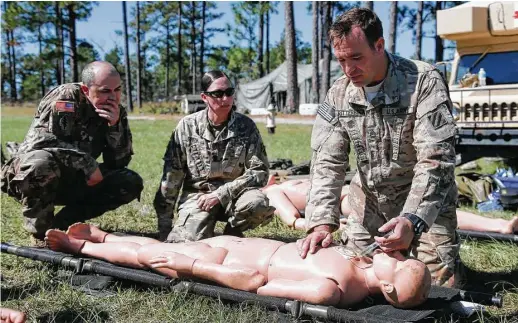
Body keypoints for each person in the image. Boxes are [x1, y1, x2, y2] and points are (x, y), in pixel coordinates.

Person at [299, 8, 459, 287]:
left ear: (379, 45)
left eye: (357, 57)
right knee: (353, 279)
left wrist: (412, 219)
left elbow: (435, 159)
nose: (349, 70)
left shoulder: (423, 81)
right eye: (342, 60)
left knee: (432, 288)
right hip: (370, 205)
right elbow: (327, 161)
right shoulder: (339, 93)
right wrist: (321, 222)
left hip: (425, 205)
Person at [45, 223, 432, 309]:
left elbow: (256, 285)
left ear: (390, 290)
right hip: (237, 245)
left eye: (399, 265)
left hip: (225, 262)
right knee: (158, 245)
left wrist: (194, 266)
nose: (396, 255)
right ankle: (105, 237)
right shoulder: (356, 259)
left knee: (147, 257)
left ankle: (81, 247)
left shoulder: (331, 290)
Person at [0, 61, 143, 243]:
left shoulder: (116, 111)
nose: (113, 97)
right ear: (85, 90)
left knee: (129, 181)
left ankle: (63, 224)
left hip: (72, 179)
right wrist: (88, 164)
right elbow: (43, 142)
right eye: (105, 91)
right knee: (40, 162)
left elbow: (118, 164)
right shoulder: (65, 97)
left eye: (118, 90)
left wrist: (115, 127)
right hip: (28, 178)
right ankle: (40, 233)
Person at [154, 70, 274, 242]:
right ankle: (198, 228)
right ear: (204, 97)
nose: (225, 99)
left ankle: (232, 232)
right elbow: (172, 176)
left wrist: (222, 193)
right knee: (187, 244)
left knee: (257, 205)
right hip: (198, 196)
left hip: (235, 194)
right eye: (218, 94)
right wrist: (164, 225)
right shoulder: (187, 127)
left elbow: (260, 171)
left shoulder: (246, 126)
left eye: (229, 92)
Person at [264, 179, 518, 234]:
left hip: (357, 192)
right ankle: (499, 225)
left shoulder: (281, 182)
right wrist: (332, 224)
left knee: (425, 206)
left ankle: (499, 224)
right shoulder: (272, 192)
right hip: (347, 204)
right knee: (419, 213)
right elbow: (293, 219)